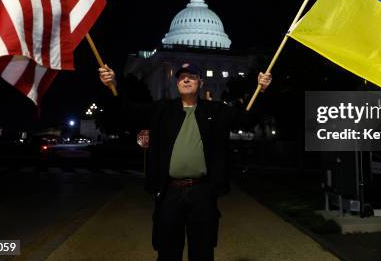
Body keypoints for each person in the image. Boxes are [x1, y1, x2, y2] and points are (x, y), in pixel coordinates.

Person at [99, 62, 272, 261]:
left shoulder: (216, 111)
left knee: (202, 251)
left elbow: (247, 119)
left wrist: (263, 90)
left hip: (203, 192)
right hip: (169, 192)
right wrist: (112, 85)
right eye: (182, 77)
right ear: (177, 83)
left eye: (192, 76)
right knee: (167, 252)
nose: (186, 79)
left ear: (200, 82)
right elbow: (128, 112)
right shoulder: (162, 110)